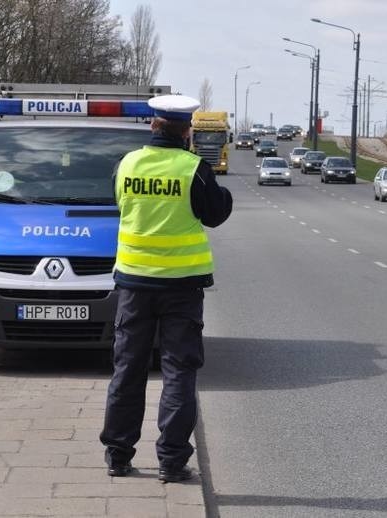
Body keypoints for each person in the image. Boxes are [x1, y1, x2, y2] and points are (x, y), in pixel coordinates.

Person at [100, 94, 233, 483]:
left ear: (154, 125)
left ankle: (118, 456)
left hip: (134, 285)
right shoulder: (194, 169)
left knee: (128, 368)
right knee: (178, 371)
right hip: (181, 288)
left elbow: (120, 204)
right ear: (186, 130)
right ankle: (172, 462)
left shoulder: (127, 164)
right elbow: (216, 213)